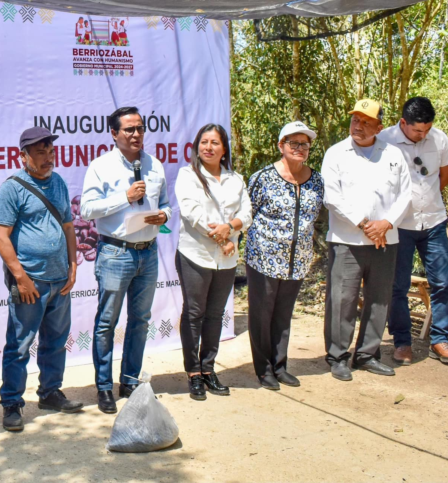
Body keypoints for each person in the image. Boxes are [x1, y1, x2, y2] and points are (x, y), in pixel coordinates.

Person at [81, 106, 172, 413]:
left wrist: (164, 215)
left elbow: (167, 204)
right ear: (114, 134)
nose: (136, 134)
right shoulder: (100, 166)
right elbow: (87, 210)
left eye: (140, 128)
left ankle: (130, 380)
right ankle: (104, 387)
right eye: (129, 129)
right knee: (107, 322)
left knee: (140, 321)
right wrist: (125, 197)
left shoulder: (155, 165)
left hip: (147, 252)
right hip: (115, 252)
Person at [0, 127, 83, 431]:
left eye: (50, 151)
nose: (48, 158)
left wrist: (73, 264)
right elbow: (2, 238)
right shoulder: (12, 188)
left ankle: (50, 392)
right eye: (40, 152)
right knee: (19, 344)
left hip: (60, 280)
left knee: (56, 341)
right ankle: (11, 403)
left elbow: (69, 227)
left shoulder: (57, 182)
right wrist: (21, 278)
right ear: (24, 156)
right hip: (30, 282)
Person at [322, 99, 412, 381]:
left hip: (385, 240)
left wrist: (385, 224)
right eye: (355, 120)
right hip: (346, 239)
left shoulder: (394, 155)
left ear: (379, 127)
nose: (358, 126)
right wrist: (363, 224)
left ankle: (368, 355)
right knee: (342, 299)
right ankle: (338, 357)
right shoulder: (336, 153)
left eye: (365, 121)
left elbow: (405, 195)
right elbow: (332, 197)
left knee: (379, 299)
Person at [377, 97, 448, 365]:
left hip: (434, 222)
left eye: (427, 129)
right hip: (399, 226)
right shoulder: (384, 140)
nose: (423, 135)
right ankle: (402, 342)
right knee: (398, 286)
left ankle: (440, 340)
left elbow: (444, 177)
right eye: (417, 130)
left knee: (441, 284)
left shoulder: (439, 139)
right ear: (403, 122)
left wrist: (426, 200)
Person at [245, 122, 324, 390]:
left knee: (283, 314)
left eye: (305, 144)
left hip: (297, 260)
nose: (300, 149)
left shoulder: (316, 180)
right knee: (261, 314)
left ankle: (280, 366)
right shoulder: (262, 178)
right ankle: (264, 369)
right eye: (294, 143)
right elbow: (248, 215)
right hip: (264, 258)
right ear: (281, 146)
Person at [174, 124, 251, 400]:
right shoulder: (187, 175)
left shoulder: (235, 179)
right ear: (197, 147)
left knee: (216, 315)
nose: (208, 147)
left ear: (224, 149)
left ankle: (209, 369)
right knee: (194, 313)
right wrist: (223, 237)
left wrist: (230, 229)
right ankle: (193, 373)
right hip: (195, 254)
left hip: (226, 259)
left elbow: (247, 212)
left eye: (214, 142)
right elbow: (191, 213)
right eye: (203, 142)